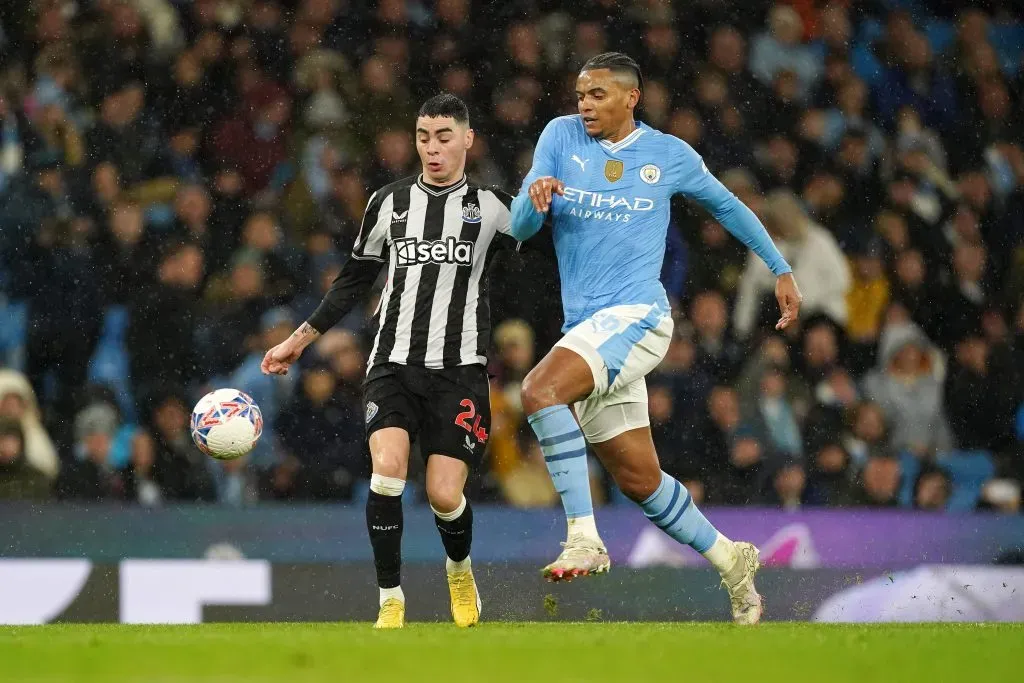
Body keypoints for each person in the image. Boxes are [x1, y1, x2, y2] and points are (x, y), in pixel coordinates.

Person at [509, 52, 803, 625]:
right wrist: (534, 195)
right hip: (586, 329)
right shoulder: (559, 137)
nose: (584, 105)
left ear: (630, 97)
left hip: (638, 317)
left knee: (540, 390)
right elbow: (522, 227)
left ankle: (584, 537)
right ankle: (731, 559)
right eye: (580, 95)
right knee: (640, 479)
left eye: (597, 95)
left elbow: (728, 206)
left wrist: (780, 268)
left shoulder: (668, 154)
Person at [262, 93, 530, 629]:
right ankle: (390, 598)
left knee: (442, 493)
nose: (432, 148)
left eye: (444, 137)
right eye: (423, 137)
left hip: (460, 369)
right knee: (386, 473)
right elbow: (353, 280)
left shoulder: (495, 207)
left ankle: (459, 569)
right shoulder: (388, 203)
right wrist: (300, 339)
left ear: (468, 140)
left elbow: (543, 262)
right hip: (392, 363)